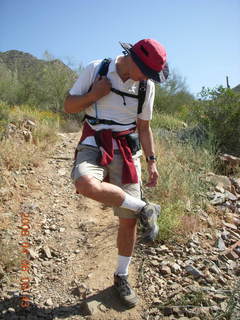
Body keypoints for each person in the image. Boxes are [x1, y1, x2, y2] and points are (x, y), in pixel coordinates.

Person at [64, 39, 168, 308]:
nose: (147, 77)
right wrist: (94, 95)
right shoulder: (96, 69)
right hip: (93, 143)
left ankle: (121, 276)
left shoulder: (146, 86)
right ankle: (146, 207)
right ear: (132, 59)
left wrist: (152, 162)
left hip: (126, 149)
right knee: (85, 184)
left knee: (128, 220)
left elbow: (144, 127)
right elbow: (69, 106)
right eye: (146, 70)